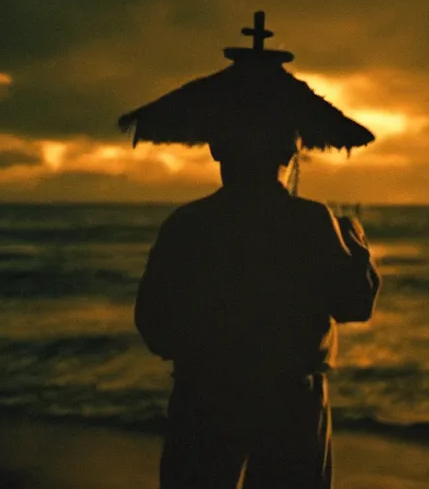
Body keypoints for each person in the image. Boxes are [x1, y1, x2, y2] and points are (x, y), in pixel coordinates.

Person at [134, 133, 380, 488]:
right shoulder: (312, 221)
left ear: (216, 147)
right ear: (291, 151)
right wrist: (354, 242)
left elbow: (153, 323)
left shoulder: (187, 224)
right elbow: (355, 304)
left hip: (203, 399)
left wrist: (209, 355)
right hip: (291, 403)